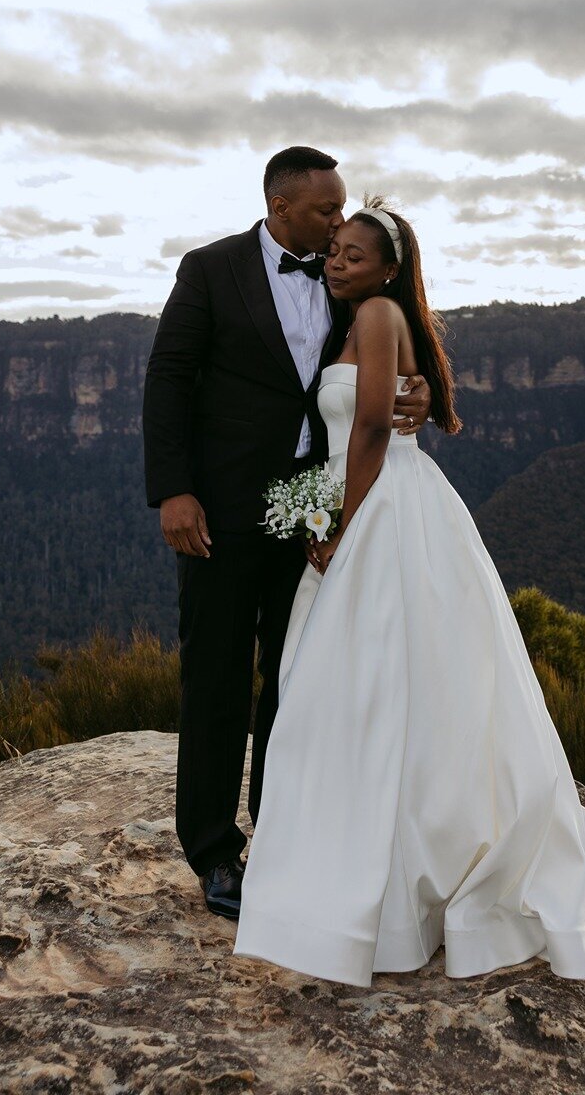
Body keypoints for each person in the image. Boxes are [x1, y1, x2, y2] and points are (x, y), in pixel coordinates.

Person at [233, 201, 585, 984]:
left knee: (378, 685)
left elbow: (375, 424)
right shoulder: (360, 315)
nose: (339, 261)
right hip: (367, 495)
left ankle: (389, 878)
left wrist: (339, 525)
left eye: (354, 253)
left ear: (388, 269)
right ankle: (363, 857)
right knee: (362, 687)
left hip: (387, 507)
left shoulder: (378, 314)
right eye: (336, 250)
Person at [141, 149, 432, 920]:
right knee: (217, 678)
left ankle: (279, 834)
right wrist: (173, 490)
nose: (338, 223)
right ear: (278, 206)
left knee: (296, 676)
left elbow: (386, 342)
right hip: (223, 509)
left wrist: (421, 383)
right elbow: (168, 377)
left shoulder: (346, 278)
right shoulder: (210, 270)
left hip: (309, 507)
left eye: (341, 212)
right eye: (324, 211)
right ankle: (211, 851)